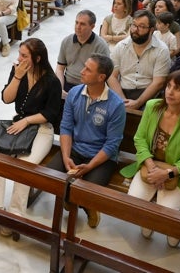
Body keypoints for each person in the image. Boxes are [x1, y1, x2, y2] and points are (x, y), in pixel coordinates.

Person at [120, 70, 180, 247]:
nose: (170, 92)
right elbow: (139, 139)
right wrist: (152, 167)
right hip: (150, 166)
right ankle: (150, 216)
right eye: (168, 86)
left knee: (167, 220)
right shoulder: (153, 106)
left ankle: (169, 226)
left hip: (178, 174)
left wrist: (167, 174)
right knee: (133, 203)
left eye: (177, 89)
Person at [0, 38, 60, 235]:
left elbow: (51, 113)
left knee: (24, 166)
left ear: (37, 58)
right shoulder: (18, 70)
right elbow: (6, 98)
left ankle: (15, 216)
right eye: (19, 54)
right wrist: (17, 77)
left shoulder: (51, 81)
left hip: (41, 127)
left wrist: (27, 121)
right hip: (19, 123)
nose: (19, 58)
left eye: (24, 56)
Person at [47, 53, 126, 228]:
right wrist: (66, 156)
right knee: (49, 178)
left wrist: (90, 166)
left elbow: (112, 144)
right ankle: (73, 199)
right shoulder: (74, 93)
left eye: (88, 69)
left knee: (85, 192)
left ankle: (87, 206)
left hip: (101, 157)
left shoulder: (116, 105)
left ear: (101, 77)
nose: (81, 71)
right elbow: (66, 127)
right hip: (75, 149)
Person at [108, 9, 171, 110]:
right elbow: (112, 76)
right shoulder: (121, 46)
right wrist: (122, 100)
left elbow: (158, 82)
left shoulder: (161, 50)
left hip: (149, 94)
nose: (135, 30)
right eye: (133, 25)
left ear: (151, 30)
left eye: (141, 26)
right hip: (122, 91)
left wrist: (138, 102)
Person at [56, 10, 110, 97]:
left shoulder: (101, 46)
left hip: (88, 87)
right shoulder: (67, 41)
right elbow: (60, 68)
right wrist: (60, 88)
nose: (78, 27)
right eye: (76, 23)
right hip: (67, 84)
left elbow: (103, 76)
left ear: (92, 26)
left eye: (82, 24)